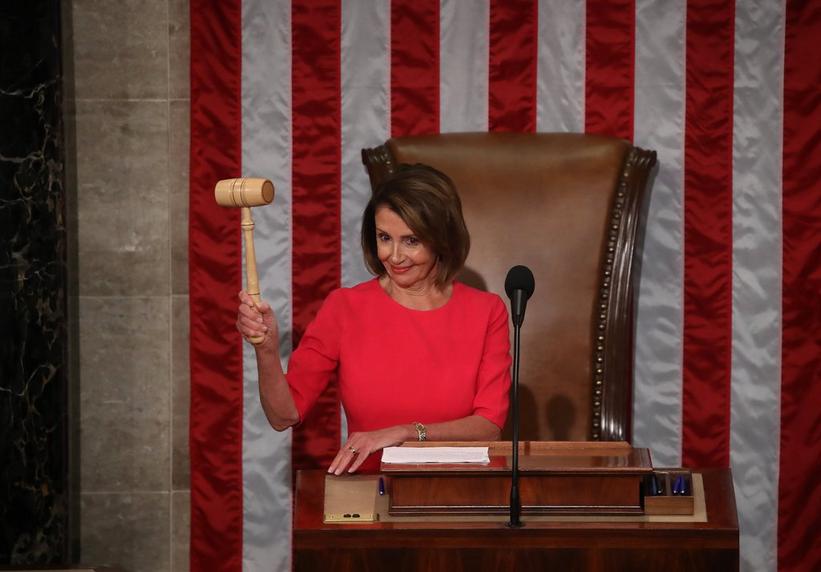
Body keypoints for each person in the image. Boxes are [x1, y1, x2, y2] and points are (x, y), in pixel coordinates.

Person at [236, 164, 511, 475]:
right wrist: (267, 350)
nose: (394, 256)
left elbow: (488, 427)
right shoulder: (345, 307)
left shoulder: (487, 311)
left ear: (442, 239)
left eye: (411, 241)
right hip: (370, 496)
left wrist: (405, 433)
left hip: (458, 494)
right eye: (384, 237)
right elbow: (283, 416)